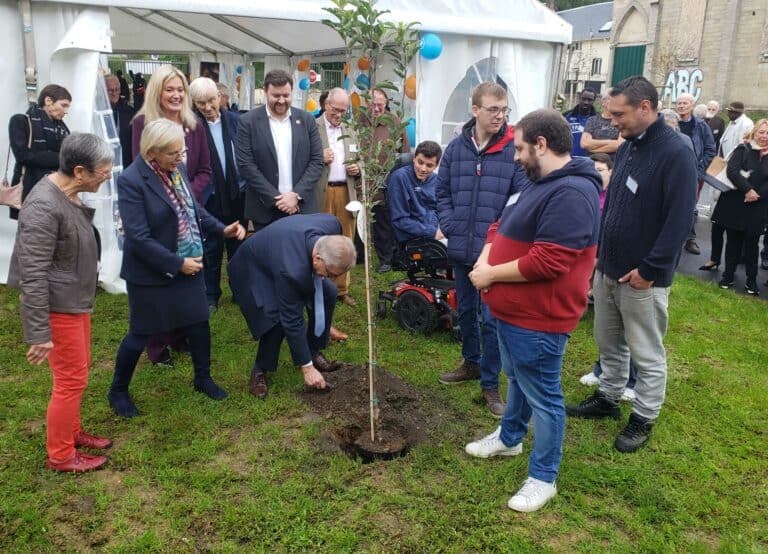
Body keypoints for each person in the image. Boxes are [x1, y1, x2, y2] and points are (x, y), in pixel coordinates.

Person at [464, 108, 601, 512]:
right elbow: (499, 224)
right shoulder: (537, 180)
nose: (516, 156)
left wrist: (490, 275)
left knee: (544, 395)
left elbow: (548, 262)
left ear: (541, 145)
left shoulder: (572, 193)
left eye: (521, 148)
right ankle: (509, 437)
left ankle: (544, 476)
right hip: (511, 312)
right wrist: (486, 259)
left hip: (540, 318)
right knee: (517, 378)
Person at [566, 76, 698, 453]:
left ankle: (643, 417)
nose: (612, 122)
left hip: (643, 277)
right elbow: (618, 204)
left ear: (645, 107)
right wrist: (599, 260)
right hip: (609, 267)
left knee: (645, 350)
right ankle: (608, 397)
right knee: (609, 341)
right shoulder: (628, 147)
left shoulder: (677, 152)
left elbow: (679, 219)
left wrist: (651, 270)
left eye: (619, 114)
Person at [107, 119, 246, 417]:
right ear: (152, 152)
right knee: (140, 333)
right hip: (151, 272)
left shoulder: (177, 170)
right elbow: (138, 237)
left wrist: (223, 230)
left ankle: (203, 378)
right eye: (173, 154)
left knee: (199, 323)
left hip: (188, 262)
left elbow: (194, 212)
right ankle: (118, 390)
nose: (180, 159)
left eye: (182, 152)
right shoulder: (132, 180)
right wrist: (177, 263)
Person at [8, 133, 114, 472]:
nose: (108, 174)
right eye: (103, 170)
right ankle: (61, 455)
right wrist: (38, 333)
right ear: (80, 171)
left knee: (77, 374)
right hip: (59, 306)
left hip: (74, 300)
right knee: (70, 380)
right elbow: (33, 273)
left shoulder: (69, 192)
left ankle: (72, 431)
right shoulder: (44, 205)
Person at [435, 82, 518, 417]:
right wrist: (451, 224)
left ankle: (489, 384)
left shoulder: (513, 149)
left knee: (491, 320)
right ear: (475, 110)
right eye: (493, 109)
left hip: (494, 255)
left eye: (504, 109)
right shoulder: (456, 149)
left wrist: (498, 240)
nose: (499, 116)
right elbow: (442, 191)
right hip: (461, 249)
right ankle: (470, 362)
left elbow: (518, 201)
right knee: (466, 312)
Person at [131, 64, 212, 365]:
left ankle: (180, 337)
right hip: (158, 214)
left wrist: (185, 192)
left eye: (181, 90)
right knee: (160, 279)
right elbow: (139, 170)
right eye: (170, 89)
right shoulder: (142, 123)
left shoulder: (195, 125)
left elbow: (205, 170)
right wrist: (168, 193)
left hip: (188, 214)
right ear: (158, 92)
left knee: (187, 275)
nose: (176, 95)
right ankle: (157, 346)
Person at [228, 214, 356, 399]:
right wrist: (307, 369)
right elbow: (292, 319)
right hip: (253, 268)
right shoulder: (293, 271)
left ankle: (313, 351)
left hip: (281, 251)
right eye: (330, 273)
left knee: (328, 291)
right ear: (317, 259)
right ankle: (260, 370)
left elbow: (324, 277)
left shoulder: (333, 225)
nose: (332, 277)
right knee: (276, 319)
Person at [578, 152, 638, 402]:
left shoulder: (620, 195)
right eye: (592, 168)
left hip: (623, 266)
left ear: (612, 172)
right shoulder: (589, 194)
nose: (596, 173)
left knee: (629, 329)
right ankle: (602, 369)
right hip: (600, 262)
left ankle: (633, 381)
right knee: (607, 329)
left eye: (601, 169)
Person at [237, 69, 324, 231]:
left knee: (301, 255)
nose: (282, 100)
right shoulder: (247, 122)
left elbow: (317, 161)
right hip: (265, 210)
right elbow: (246, 165)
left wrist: (296, 195)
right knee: (268, 256)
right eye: (276, 96)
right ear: (265, 92)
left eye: (286, 95)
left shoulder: (307, 121)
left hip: (301, 208)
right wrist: (277, 199)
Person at [189, 77, 246, 313]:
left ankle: (240, 290)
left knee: (238, 247)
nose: (208, 107)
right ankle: (210, 295)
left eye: (211, 101)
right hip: (209, 196)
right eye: (201, 103)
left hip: (237, 192)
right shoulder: (191, 126)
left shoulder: (236, 121)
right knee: (211, 249)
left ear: (220, 97)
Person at [316, 88, 361, 307]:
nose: (339, 115)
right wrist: (319, 157)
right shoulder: (312, 127)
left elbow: (361, 158)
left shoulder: (351, 130)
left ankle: (341, 290)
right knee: (321, 238)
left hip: (346, 191)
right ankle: (319, 283)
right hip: (321, 192)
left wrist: (357, 167)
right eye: (335, 109)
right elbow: (300, 158)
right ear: (326, 105)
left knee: (345, 239)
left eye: (343, 111)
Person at [713, 119, 768, 295]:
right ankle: (728, 276)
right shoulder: (742, 149)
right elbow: (732, 171)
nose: (764, 137)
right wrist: (748, 190)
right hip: (736, 204)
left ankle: (751, 281)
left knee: (752, 245)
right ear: (754, 132)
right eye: (761, 132)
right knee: (733, 243)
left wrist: (756, 194)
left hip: (758, 206)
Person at [8, 84, 71, 219]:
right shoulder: (20, 121)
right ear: (48, 101)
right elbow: (23, 156)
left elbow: (71, 155)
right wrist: (61, 159)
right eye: (63, 105)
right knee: (32, 236)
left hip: (58, 192)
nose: (66, 111)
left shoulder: (62, 128)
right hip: (30, 190)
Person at [367, 87, 411, 272]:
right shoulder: (359, 123)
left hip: (391, 178)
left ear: (386, 104)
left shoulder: (394, 121)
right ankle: (383, 257)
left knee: (392, 218)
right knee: (378, 220)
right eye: (372, 105)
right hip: (368, 181)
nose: (376, 109)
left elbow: (405, 152)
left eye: (380, 104)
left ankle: (395, 256)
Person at [676, 92, 716, 256]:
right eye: (679, 103)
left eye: (685, 103)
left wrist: (699, 170)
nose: (681, 106)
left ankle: (690, 239)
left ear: (692, 105)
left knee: (690, 205)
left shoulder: (701, 126)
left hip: (693, 173)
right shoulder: (670, 122)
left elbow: (710, 149)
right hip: (672, 171)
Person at [388, 140, 443, 243]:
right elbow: (399, 220)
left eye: (429, 165)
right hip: (411, 238)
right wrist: (432, 232)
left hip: (434, 233)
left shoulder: (437, 180)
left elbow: (440, 209)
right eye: (420, 162)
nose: (423, 169)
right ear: (414, 158)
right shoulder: (400, 178)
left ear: (436, 165)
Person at [580, 90, 622, 159]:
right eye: (611, 99)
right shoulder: (592, 120)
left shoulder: (620, 120)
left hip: (613, 164)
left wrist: (593, 149)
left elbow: (619, 145)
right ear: (603, 102)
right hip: (593, 164)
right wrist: (610, 141)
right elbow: (584, 143)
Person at [105, 75, 135, 168]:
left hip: (125, 161)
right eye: (110, 90)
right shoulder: (96, 111)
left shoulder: (129, 112)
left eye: (116, 90)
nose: (114, 93)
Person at [563, 88, 597, 157]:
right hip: (568, 159)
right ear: (579, 98)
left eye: (589, 100)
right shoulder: (566, 116)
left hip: (588, 161)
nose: (586, 102)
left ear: (594, 101)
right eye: (583, 99)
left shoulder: (597, 119)